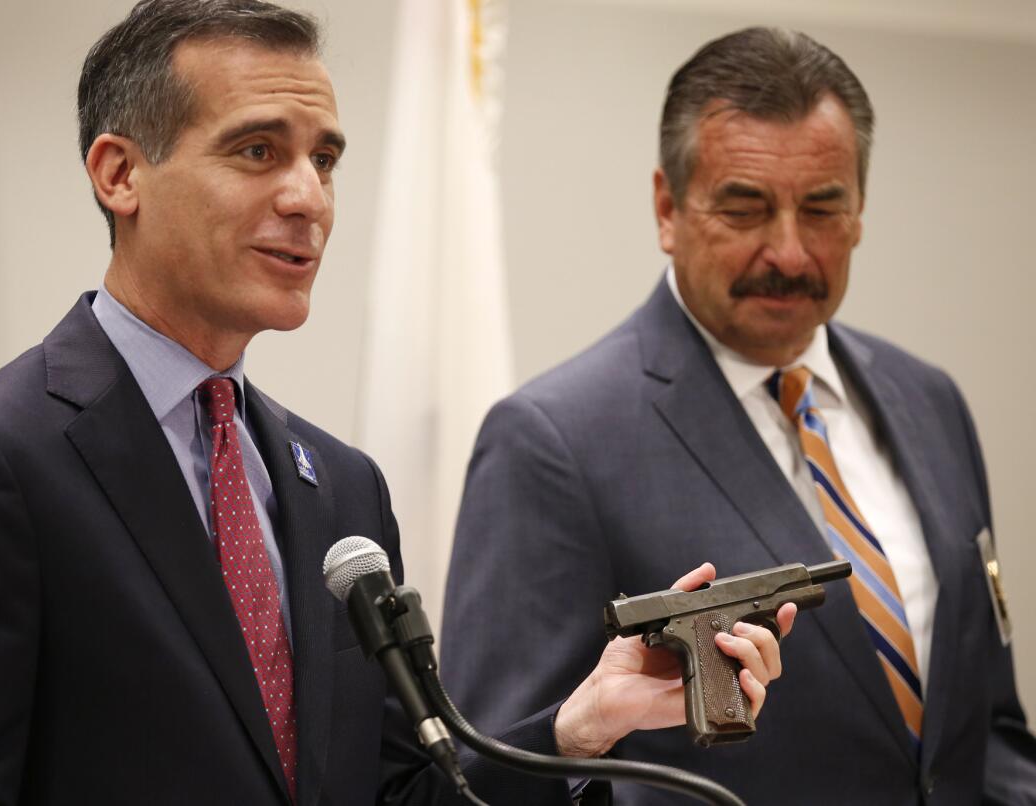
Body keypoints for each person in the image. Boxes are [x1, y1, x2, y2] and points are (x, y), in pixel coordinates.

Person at [0, 4, 792, 804]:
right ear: (119, 174)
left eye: (325, 159)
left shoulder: (341, 491)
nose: (309, 197)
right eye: (258, 150)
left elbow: (396, 793)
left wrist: (584, 726)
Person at [442, 25, 1036, 806]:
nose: (789, 253)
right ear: (667, 206)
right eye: (746, 208)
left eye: (822, 209)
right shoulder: (554, 440)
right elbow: (488, 777)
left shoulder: (929, 402)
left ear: (860, 210)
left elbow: (983, 729)